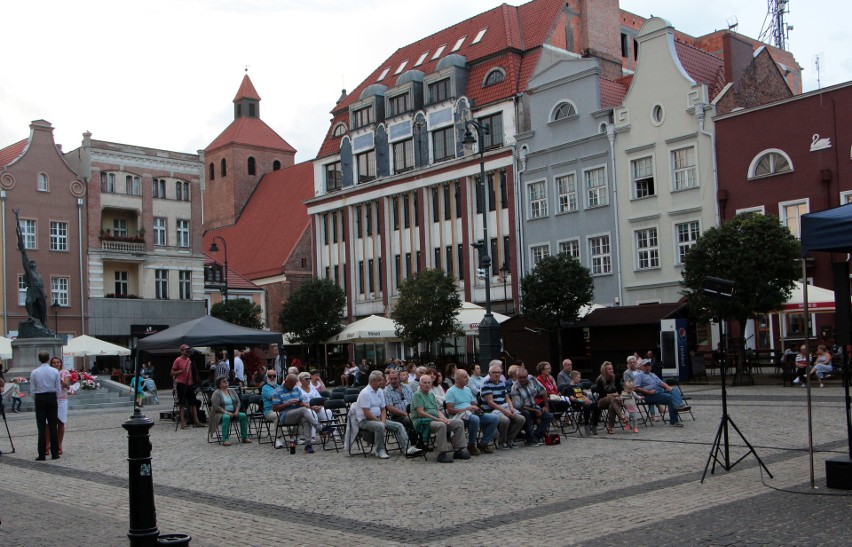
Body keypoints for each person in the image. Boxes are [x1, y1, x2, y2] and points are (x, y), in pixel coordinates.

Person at [355, 371, 420, 459]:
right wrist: (380, 422)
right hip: (365, 421)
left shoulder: (380, 391)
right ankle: (380, 450)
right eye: (379, 380)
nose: (382, 382)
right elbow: (367, 413)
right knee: (380, 426)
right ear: (373, 381)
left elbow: (383, 409)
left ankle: (407, 448)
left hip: (378, 419)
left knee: (399, 426)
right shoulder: (365, 393)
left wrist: (382, 420)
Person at [410, 374, 468, 463]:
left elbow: (437, 411)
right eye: (424, 383)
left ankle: (459, 450)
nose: (427, 384)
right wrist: (438, 420)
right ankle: (442, 453)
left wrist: (444, 419)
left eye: (429, 383)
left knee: (458, 422)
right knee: (441, 425)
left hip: (435, 419)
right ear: (420, 384)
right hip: (422, 422)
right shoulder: (417, 395)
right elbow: (421, 413)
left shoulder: (431, 394)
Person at [445, 369, 498, 455]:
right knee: (475, 419)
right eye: (465, 377)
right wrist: (467, 410)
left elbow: (473, 403)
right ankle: (471, 444)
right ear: (457, 379)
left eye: (467, 376)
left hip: (472, 413)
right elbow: (450, 410)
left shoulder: (467, 389)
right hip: (460, 416)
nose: (468, 379)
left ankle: (483, 443)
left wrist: (476, 408)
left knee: (494, 418)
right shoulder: (450, 391)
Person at [480, 360, 526, 449]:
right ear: (489, 373)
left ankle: (509, 439)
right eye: (494, 372)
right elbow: (491, 403)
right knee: (505, 420)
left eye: (498, 372)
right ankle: (501, 441)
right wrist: (505, 411)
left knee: (521, 418)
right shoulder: (486, 385)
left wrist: (511, 408)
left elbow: (507, 398)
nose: (497, 374)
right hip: (492, 410)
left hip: (503, 407)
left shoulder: (502, 383)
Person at [270, 373, 320, 453]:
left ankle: (308, 445)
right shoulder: (277, 391)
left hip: (297, 414)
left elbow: (301, 403)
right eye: (291, 385)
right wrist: (287, 404)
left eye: (294, 384)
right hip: (285, 416)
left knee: (306, 419)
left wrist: (299, 403)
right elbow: (274, 408)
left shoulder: (296, 389)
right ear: (286, 382)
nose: (292, 387)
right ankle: (318, 427)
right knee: (304, 410)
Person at [633, 360, 688, 427]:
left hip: (660, 391)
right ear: (641, 367)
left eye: (649, 365)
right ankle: (674, 420)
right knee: (670, 398)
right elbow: (636, 388)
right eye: (645, 366)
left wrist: (668, 387)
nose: (647, 367)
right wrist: (647, 392)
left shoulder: (652, 374)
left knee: (674, 390)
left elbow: (661, 383)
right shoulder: (639, 375)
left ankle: (679, 406)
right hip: (650, 395)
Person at [30, 351, 60, 460]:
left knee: (41, 427)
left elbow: (32, 389)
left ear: (39, 359)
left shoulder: (34, 372)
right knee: (53, 426)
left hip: (40, 397)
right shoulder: (55, 371)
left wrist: (37, 398)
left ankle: (41, 454)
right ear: (48, 359)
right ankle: (55, 453)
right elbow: (58, 388)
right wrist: (54, 397)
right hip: (51, 397)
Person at [510, 367, 552, 446]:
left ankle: (534, 437)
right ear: (517, 377)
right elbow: (519, 406)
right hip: (523, 409)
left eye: (524, 377)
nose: (523, 379)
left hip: (534, 406)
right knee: (526, 413)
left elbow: (543, 391)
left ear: (527, 375)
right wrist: (535, 411)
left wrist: (546, 406)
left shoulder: (532, 379)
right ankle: (530, 439)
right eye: (520, 378)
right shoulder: (515, 387)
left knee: (548, 416)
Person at [209, 375, 251, 446]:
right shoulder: (216, 393)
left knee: (243, 416)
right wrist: (226, 412)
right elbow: (217, 407)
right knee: (226, 417)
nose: (226, 382)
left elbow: (238, 402)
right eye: (223, 381)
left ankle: (244, 437)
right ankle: (225, 439)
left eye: (226, 381)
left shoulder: (231, 390)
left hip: (233, 412)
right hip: (219, 413)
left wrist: (237, 411)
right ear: (219, 384)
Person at [171, 344, 202, 429]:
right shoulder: (178, 360)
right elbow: (172, 373)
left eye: (188, 349)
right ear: (181, 351)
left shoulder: (189, 360)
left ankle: (196, 421)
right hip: (181, 383)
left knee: (193, 403)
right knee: (181, 403)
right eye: (186, 349)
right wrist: (181, 371)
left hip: (190, 383)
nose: (187, 351)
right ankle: (183, 422)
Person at [44, 356, 70, 456]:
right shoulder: (48, 372)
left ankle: (59, 445)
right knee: (48, 424)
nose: (56, 364)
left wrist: (59, 378)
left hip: (62, 399)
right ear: (51, 364)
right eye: (54, 362)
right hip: (51, 398)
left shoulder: (65, 372)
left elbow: (66, 385)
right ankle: (47, 446)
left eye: (58, 362)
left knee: (61, 422)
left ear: (61, 363)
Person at [297, 372, 332, 443]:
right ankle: (312, 437)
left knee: (328, 411)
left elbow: (320, 399)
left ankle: (330, 433)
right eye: (306, 379)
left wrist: (320, 406)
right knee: (312, 414)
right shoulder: (297, 390)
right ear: (300, 380)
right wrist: (311, 407)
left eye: (309, 378)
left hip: (317, 408)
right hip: (306, 409)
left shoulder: (312, 388)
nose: (308, 380)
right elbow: (299, 402)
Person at [595, 361, 628, 433]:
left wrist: (613, 395)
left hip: (613, 401)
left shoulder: (615, 377)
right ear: (604, 370)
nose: (612, 370)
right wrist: (614, 394)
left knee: (611, 406)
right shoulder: (600, 380)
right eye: (609, 369)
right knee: (611, 398)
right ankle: (622, 416)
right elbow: (602, 394)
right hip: (602, 401)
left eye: (612, 368)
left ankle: (610, 428)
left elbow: (619, 391)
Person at [565, 370, 601, 435]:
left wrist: (587, 399)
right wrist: (582, 401)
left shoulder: (578, 387)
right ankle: (586, 425)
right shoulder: (569, 387)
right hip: (577, 404)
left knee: (597, 407)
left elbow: (582, 395)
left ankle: (594, 425)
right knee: (586, 407)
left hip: (584, 402)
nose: (580, 379)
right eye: (579, 377)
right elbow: (572, 398)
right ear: (574, 378)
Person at [383, 369, 415, 438]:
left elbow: (414, 401)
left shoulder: (407, 387)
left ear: (399, 378)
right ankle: (414, 441)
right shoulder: (386, 391)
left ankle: (422, 439)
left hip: (411, 413)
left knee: (423, 418)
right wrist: (406, 414)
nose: (393, 381)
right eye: (391, 379)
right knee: (413, 420)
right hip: (398, 417)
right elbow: (390, 408)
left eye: (395, 379)